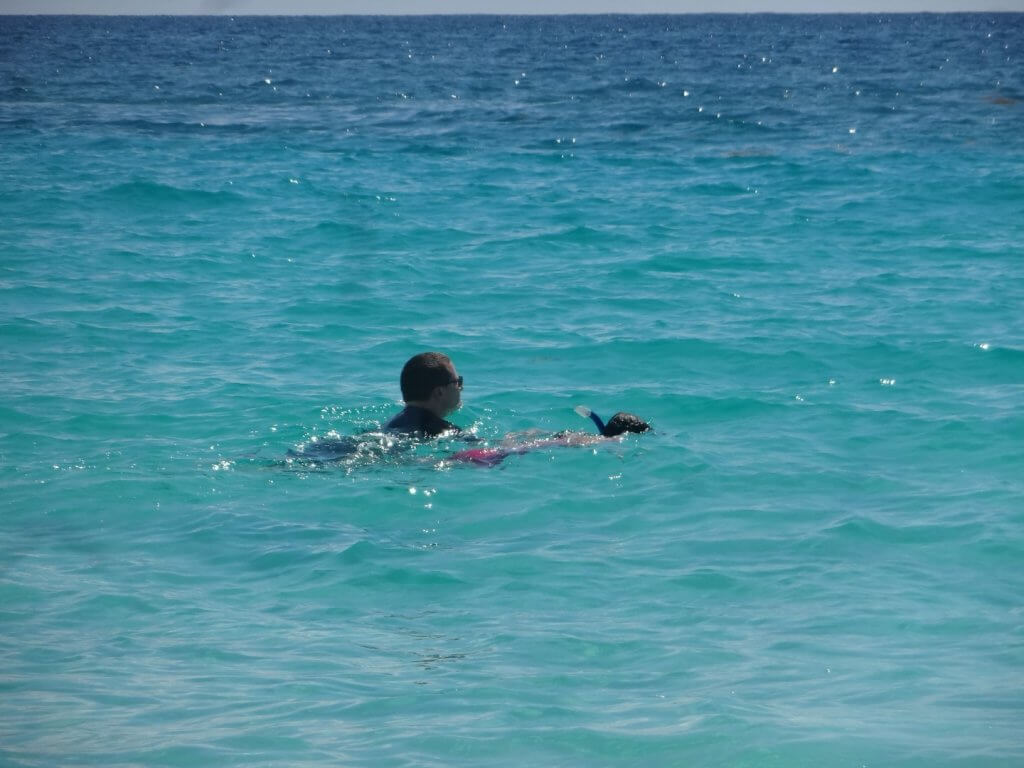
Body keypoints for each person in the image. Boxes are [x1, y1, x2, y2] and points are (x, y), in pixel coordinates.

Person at [385, 351, 464, 437]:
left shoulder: (391, 423)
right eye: (458, 382)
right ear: (439, 392)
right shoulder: (448, 431)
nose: (461, 388)